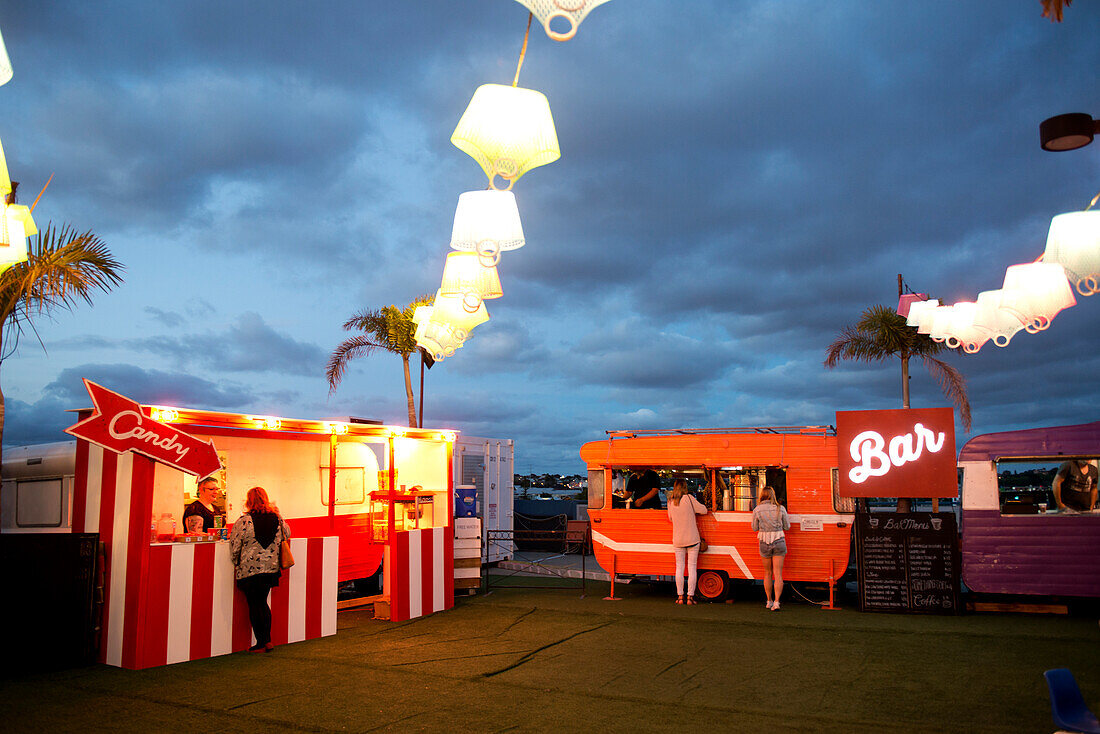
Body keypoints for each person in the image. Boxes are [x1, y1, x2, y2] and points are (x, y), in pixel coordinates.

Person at [229, 486, 291, 653]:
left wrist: (236, 562)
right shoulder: (277, 519)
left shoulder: (244, 521)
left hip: (250, 570)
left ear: (248, 502)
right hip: (270, 569)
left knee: (255, 604)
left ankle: (261, 641)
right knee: (263, 602)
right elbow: (287, 533)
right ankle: (267, 640)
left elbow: (235, 546)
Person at [667, 478, 708, 604]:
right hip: (692, 539)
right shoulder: (689, 498)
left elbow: (670, 518)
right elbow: (704, 510)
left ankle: (680, 597)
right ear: (685, 487)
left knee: (679, 568)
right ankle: (690, 597)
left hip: (678, 539)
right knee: (692, 568)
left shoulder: (671, 501)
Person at [752, 485, 790, 611]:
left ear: (762, 495)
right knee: (778, 574)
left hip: (764, 541)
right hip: (779, 539)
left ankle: (769, 601)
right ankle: (777, 602)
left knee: (767, 573)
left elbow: (754, 528)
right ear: (773, 495)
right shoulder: (780, 508)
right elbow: (787, 526)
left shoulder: (757, 509)